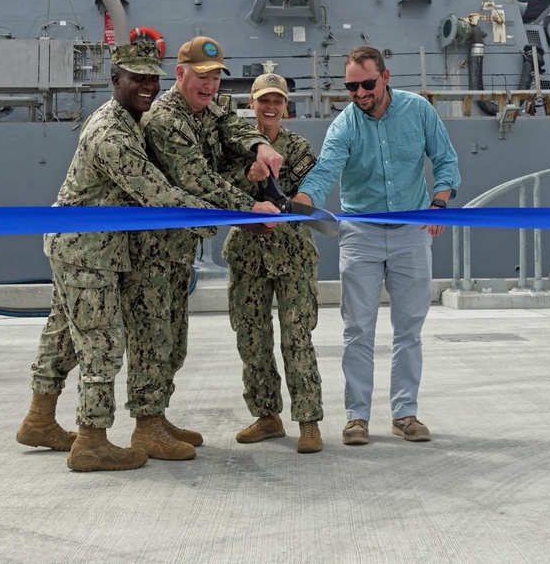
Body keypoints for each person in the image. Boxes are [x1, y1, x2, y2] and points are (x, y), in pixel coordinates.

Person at [16, 41, 217, 472]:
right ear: (115, 81)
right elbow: (155, 194)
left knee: (65, 335)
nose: (147, 87)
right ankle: (91, 440)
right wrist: (222, 216)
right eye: (137, 79)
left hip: (86, 246)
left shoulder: (130, 120)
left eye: (152, 79)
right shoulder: (112, 134)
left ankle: (39, 419)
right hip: (88, 253)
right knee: (102, 343)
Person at [294, 46, 461, 446]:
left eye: (367, 83)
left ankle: (405, 414)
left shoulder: (419, 110)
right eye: (351, 86)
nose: (359, 93)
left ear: (385, 77)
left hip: (411, 230)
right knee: (357, 330)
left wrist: (438, 205)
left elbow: (446, 161)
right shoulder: (344, 126)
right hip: (360, 234)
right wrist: (302, 202)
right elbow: (326, 171)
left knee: (409, 329)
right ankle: (357, 418)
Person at [131, 36, 283, 459]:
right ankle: (145, 426)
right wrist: (249, 209)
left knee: (174, 339)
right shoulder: (166, 119)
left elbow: (232, 124)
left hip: (179, 248)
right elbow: (194, 178)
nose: (211, 85)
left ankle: (157, 417)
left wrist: (259, 143)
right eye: (202, 77)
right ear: (179, 74)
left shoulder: (208, 106)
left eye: (216, 77)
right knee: (152, 336)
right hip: (153, 249)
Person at [219, 73, 324, 454]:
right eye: (264, 100)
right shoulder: (236, 147)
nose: (270, 107)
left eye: (277, 100)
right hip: (248, 256)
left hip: (292, 254)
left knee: (298, 338)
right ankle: (267, 416)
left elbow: (299, 197)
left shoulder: (298, 147)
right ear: (252, 103)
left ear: (285, 105)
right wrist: (248, 176)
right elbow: (221, 189)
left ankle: (309, 420)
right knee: (252, 338)